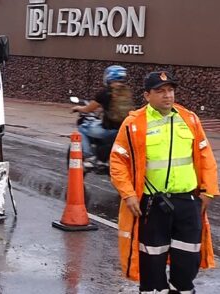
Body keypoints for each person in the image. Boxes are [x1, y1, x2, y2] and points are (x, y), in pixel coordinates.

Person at [109, 71, 218, 294]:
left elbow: (205, 156)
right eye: (160, 91)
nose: (167, 96)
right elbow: (118, 160)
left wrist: (208, 191)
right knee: (151, 262)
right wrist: (128, 194)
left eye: (170, 90)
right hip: (153, 204)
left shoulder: (189, 119)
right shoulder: (134, 123)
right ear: (147, 95)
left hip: (187, 202)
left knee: (188, 261)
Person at [72, 65, 133, 166]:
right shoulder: (126, 92)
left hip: (108, 131)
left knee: (82, 129)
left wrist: (78, 108)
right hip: (123, 130)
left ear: (109, 76)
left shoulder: (105, 92)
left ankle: (89, 157)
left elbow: (88, 109)